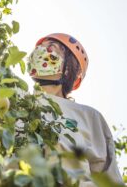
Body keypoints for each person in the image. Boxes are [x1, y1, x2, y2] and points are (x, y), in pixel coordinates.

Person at [27, 33, 124, 186]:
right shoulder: (14, 103)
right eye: (39, 48)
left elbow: (110, 182)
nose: (40, 51)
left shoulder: (89, 117)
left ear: (68, 69)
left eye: (50, 48)